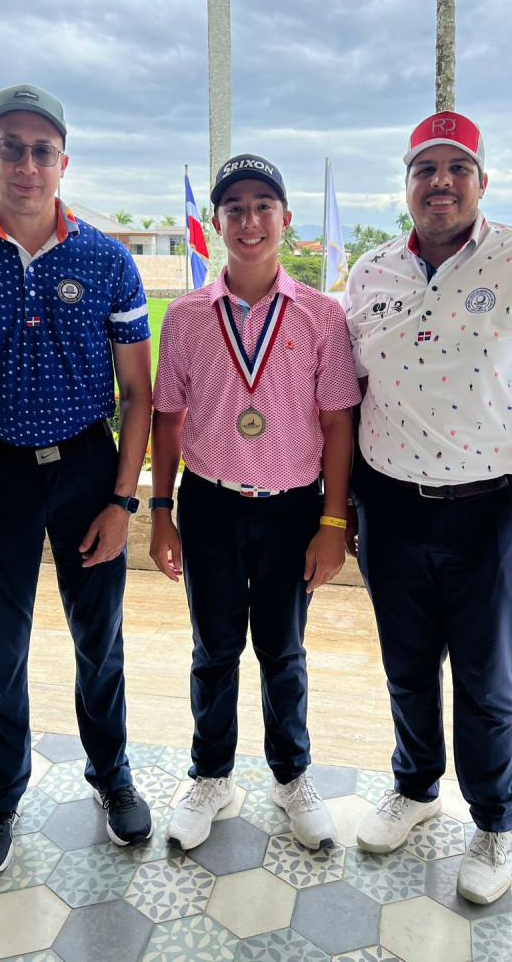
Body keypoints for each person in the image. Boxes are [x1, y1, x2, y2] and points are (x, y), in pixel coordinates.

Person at [343, 112, 512, 904]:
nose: (441, 181)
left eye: (458, 167)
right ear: (409, 184)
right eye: (426, 168)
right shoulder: (371, 272)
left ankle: (494, 822)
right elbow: (347, 396)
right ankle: (417, 788)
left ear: (482, 182)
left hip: (498, 510)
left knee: (488, 681)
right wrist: (346, 504)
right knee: (407, 668)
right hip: (389, 507)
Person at [0, 83, 154, 875]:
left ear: (63, 162)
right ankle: (0, 794)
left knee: (99, 640)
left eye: (42, 149)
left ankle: (110, 775)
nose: (26, 163)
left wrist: (122, 500)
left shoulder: (106, 259)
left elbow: (138, 393)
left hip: (86, 469)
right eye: (10, 145)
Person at [150, 154, 361, 851]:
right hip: (208, 505)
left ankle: (290, 774)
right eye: (233, 207)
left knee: (282, 649)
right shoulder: (184, 317)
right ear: (214, 225)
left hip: (292, 509)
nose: (249, 220)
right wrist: (160, 511)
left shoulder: (323, 316)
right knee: (214, 650)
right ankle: (211, 775)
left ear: (286, 221)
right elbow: (167, 419)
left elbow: (338, 422)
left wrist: (333, 521)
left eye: (263, 205)